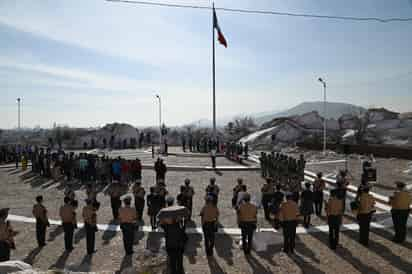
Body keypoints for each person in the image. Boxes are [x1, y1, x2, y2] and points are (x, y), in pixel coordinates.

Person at [160, 197, 186, 274]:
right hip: (179, 245)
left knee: (172, 262)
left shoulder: (167, 226)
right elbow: (184, 223)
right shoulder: (181, 226)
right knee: (180, 261)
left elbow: (161, 223)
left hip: (170, 245)